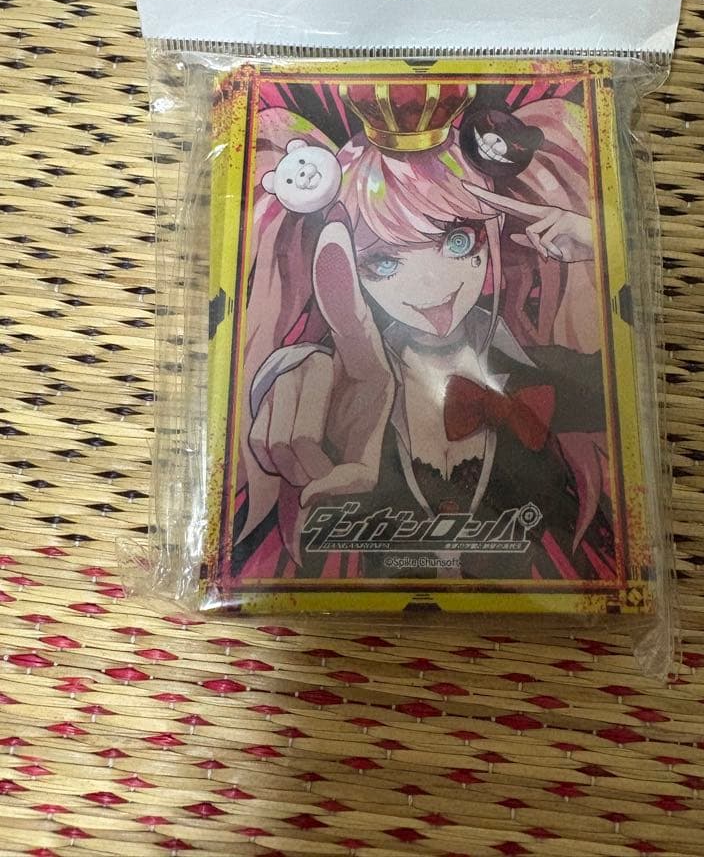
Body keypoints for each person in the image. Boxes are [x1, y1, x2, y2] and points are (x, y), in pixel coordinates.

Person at [225, 78, 615, 588]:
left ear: (492, 233)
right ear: (342, 269)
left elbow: (628, 399)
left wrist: (601, 244)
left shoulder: (557, 377)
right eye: (383, 262)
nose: (432, 285)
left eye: (458, 242)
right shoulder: (346, 396)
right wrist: (278, 376)